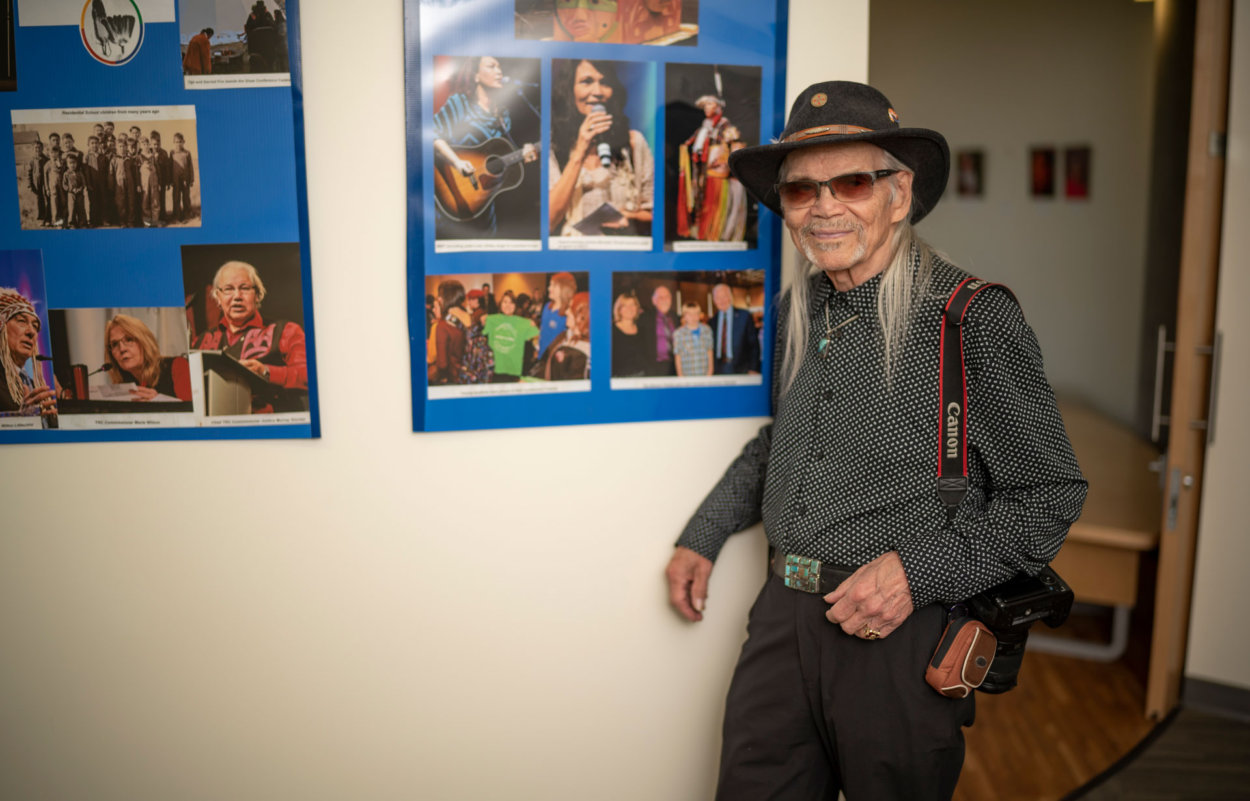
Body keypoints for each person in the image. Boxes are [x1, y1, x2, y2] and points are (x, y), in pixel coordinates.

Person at [663, 81, 1088, 800]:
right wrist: (703, 532)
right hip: (782, 618)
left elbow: (1049, 493)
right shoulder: (803, 308)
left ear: (899, 193)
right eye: (802, 191)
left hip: (900, 635)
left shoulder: (971, 320)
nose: (825, 207)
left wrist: (915, 572)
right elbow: (782, 443)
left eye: (852, 181)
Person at [431, 56, 538, 239]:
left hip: (484, 207)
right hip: (451, 192)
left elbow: (498, 157)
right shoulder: (460, 103)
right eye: (492, 66)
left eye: (500, 67)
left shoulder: (503, 114)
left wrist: (525, 152)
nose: (499, 71)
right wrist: (457, 162)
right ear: (475, 77)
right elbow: (433, 135)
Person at [548, 59, 653, 238]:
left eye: (605, 83)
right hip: (574, 258)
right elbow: (549, 221)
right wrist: (580, 151)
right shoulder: (554, 147)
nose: (597, 92)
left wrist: (629, 216)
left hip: (623, 256)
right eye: (586, 82)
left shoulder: (634, 142)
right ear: (569, 90)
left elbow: (653, 213)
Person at [191, 261, 308, 412]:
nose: (237, 296)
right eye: (228, 289)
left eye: (244, 288)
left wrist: (267, 372)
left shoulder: (286, 331)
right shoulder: (200, 342)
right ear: (218, 298)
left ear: (258, 295)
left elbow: (309, 376)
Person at [677, 95, 748, 242]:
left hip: (716, 172)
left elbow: (737, 146)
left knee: (714, 202)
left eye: (709, 105)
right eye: (705, 106)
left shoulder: (725, 126)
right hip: (702, 171)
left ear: (717, 107)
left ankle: (713, 233)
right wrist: (685, 147)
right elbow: (692, 143)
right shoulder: (705, 127)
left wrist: (723, 159)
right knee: (700, 201)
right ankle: (702, 231)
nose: (706, 108)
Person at [0, 288, 56, 417]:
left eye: (35, 326)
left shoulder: (32, 384)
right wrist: (20, 420)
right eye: (21, 321)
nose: (31, 332)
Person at [103, 314, 181, 400]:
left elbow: (193, 409)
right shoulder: (123, 385)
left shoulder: (177, 366)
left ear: (144, 341)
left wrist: (159, 401)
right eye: (114, 344)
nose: (122, 349)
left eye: (129, 339)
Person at [482, 290, 539, 383]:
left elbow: (536, 337)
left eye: (511, 302)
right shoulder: (492, 320)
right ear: (500, 304)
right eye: (505, 302)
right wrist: (483, 321)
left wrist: (532, 325)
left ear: (515, 306)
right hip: (495, 368)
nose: (508, 305)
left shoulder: (523, 323)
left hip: (513, 369)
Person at [708, 282, 760, 374]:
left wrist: (753, 368)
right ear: (714, 300)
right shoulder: (712, 321)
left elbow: (754, 345)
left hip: (741, 368)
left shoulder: (744, 316)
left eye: (724, 296)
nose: (721, 300)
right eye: (718, 298)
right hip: (717, 369)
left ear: (730, 297)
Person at [541, 291, 590, 381]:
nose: (566, 311)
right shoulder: (564, 335)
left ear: (582, 316)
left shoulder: (585, 351)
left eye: (571, 309)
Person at [636, 283, 676, 376]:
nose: (664, 300)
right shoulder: (644, 318)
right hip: (653, 368)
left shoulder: (676, 317)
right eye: (660, 297)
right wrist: (647, 368)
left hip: (674, 367)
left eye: (667, 297)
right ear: (654, 301)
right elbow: (638, 345)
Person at [537, 271, 576, 360]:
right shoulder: (547, 306)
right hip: (541, 356)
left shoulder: (568, 314)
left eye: (553, 285)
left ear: (563, 288)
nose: (548, 288)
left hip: (554, 362)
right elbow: (543, 332)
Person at [609, 291, 648, 378]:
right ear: (619, 309)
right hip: (619, 380)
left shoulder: (643, 330)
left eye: (632, 305)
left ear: (637, 308)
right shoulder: (611, 331)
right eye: (625, 305)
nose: (629, 308)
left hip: (641, 378)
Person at [673, 301, 712, 377]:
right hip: (687, 375)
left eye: (696, 313)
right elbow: (678, 357)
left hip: (704, 374)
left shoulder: (707, 330)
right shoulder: (678, 333)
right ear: (684, 316)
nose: (693, 317)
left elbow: (710, 352)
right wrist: (681, 376)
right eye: (689, 314)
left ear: (700, 315)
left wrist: (709, 373)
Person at [170, 133, 195, 222]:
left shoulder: (187, 153)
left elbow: (190, 166)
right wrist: (170, 180)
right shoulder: (172, 153)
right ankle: (176, 215)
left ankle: (187, 214)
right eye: (176, 142)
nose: (178, 144)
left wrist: (191, 179)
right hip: (175, 179)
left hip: (185, 179)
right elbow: (170, 166)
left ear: (183, 142)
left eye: (180, 142)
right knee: (176, 197)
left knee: (186, 197)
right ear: (174, 142)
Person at [25, 141, 49, 227]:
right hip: (36, 184)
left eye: (39, 147)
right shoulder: (31, 160)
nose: (38, 149)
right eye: (36, 148)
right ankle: (40, 218)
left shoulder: (46, 159)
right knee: (38, 201)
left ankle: (47, 218)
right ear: (33, 149)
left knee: (46, 199)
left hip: (45, 183)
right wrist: (30, 185)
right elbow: (29, 173)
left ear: (42, 148)